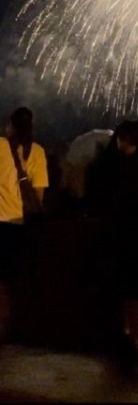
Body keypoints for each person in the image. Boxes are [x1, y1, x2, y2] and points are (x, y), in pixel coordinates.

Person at [98, 119, 138, 365]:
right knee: (130, 289)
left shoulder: (127, 168)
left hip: (132, 234)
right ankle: (132, 337)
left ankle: (133, 338)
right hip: (137, 234)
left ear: (126, 139)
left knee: (132, 289)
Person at [0, 107, 49, 343]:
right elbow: (38, 195)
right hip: (19, 222)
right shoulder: (37, 152)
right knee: (11, 278)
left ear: (10, 125)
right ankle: (9, 324)